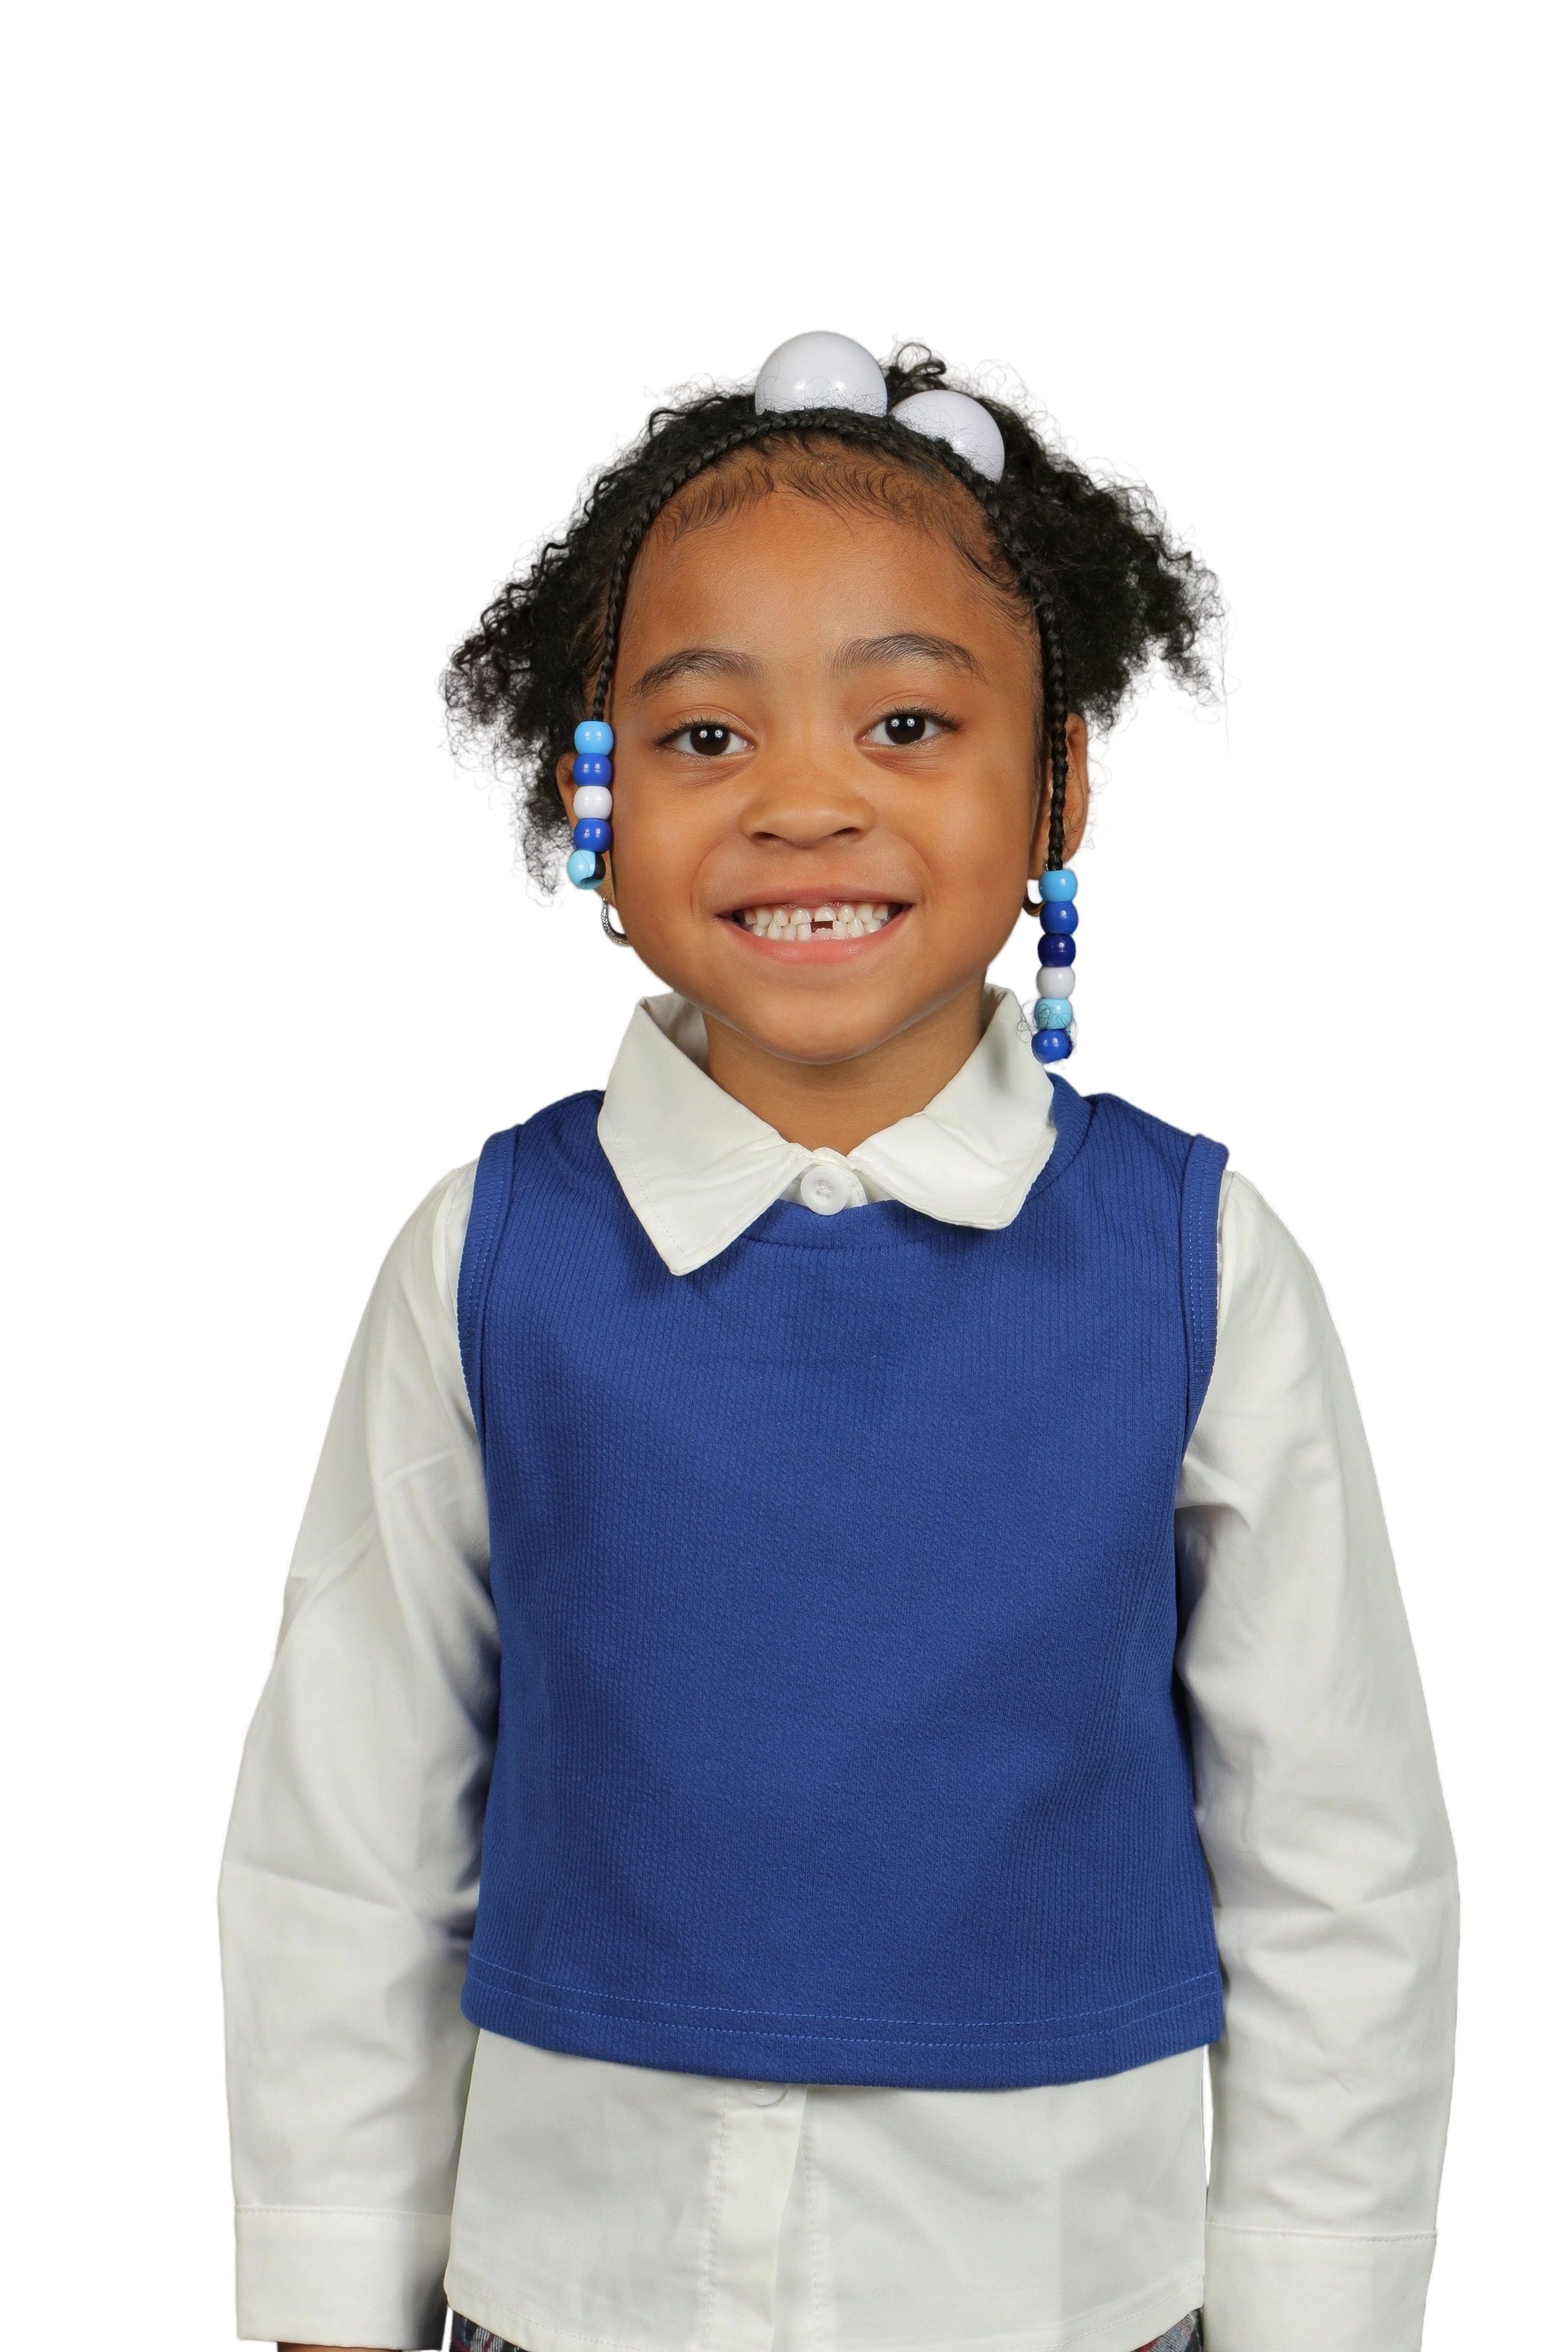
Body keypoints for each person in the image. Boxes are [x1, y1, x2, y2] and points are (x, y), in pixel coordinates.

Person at [215, 330, 1459, 2352]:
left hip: (1069, 2297)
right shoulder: (485, 1260)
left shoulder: (1199, 1267)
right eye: (707, 735)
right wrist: (329, 2293)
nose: (803, 803)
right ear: (595, 787)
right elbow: (347, 1831)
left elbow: (1337, 1862)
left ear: (1060, 784)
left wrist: (1317, 2310)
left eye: (905, 722)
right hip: (570, 2293)